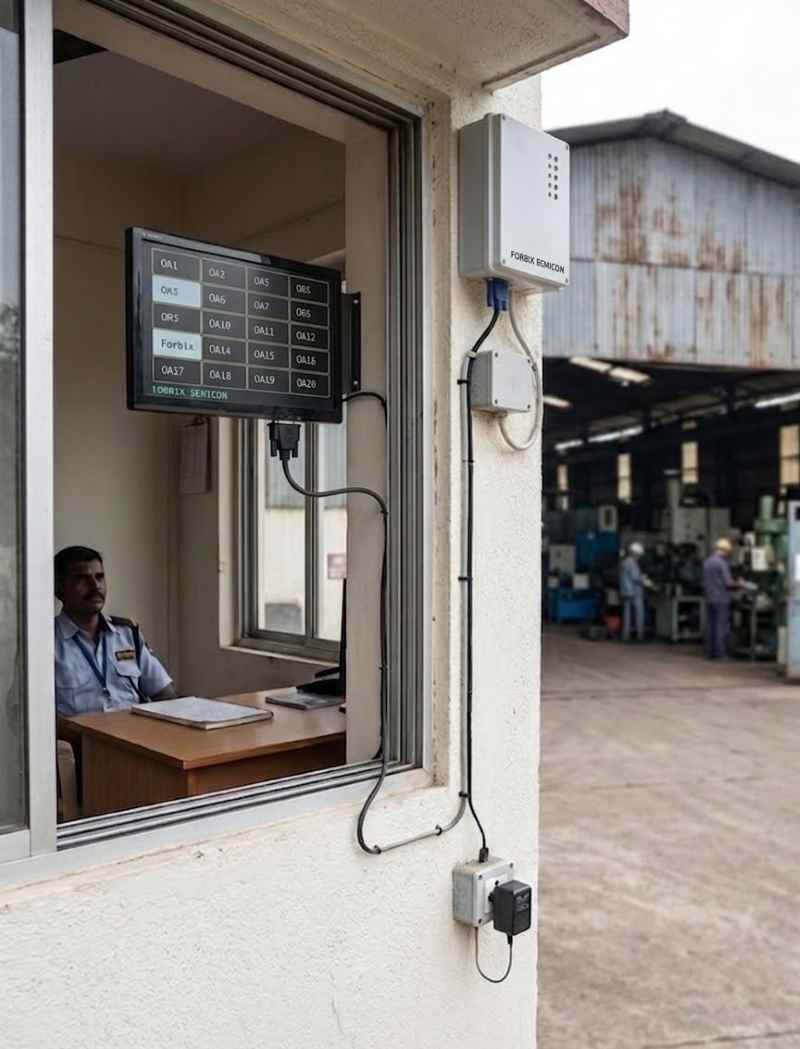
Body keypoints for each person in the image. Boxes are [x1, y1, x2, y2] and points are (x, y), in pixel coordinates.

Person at [54, 546, 176, 716]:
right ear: (59, 589)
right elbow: (24, 713)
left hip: (133, 736)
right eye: (82, 579)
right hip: (79, 740)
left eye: (99, 577)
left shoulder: (127, 635)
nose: (95, 586)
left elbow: (164, 694)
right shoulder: (45, 643)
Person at [702, 537, 741, 660]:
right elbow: (728, 583)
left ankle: (710, 653)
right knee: (720, 626)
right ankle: (721, 654)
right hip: (721, 598)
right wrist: (739, 584)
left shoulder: (707, 562)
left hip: (709, 597)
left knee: (710, 625)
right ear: (725, 551)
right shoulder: (722, 563)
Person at [619, 541, 647, 642]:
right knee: (639, 613)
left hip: (626, 592)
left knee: (627, 615)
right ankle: (640, 636)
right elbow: (636, 578)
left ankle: (625, 636)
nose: (639, 556)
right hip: (634, 592)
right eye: (639, 554)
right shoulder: (632, 563)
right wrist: (644, 580)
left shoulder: (625, 561)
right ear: (635, 553)